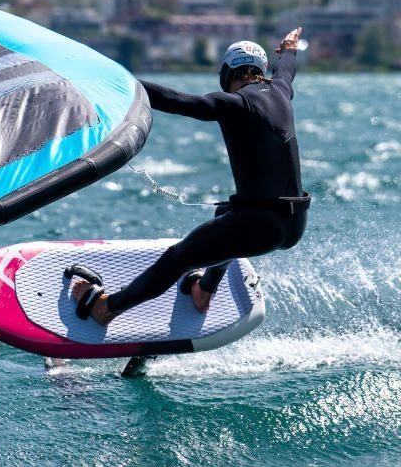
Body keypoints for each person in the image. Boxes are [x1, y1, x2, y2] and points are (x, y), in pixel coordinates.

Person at [72, 28, 309, 323]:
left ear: (227, 73)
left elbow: (176, 100)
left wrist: (116, 83)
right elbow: (286, 68)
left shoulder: (235, 104)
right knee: (225, 213)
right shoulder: (281, 91)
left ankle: (106, 308)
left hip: (259, 226)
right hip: (295, 224)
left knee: (178, 258)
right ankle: (204, 291)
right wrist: (290, 47)